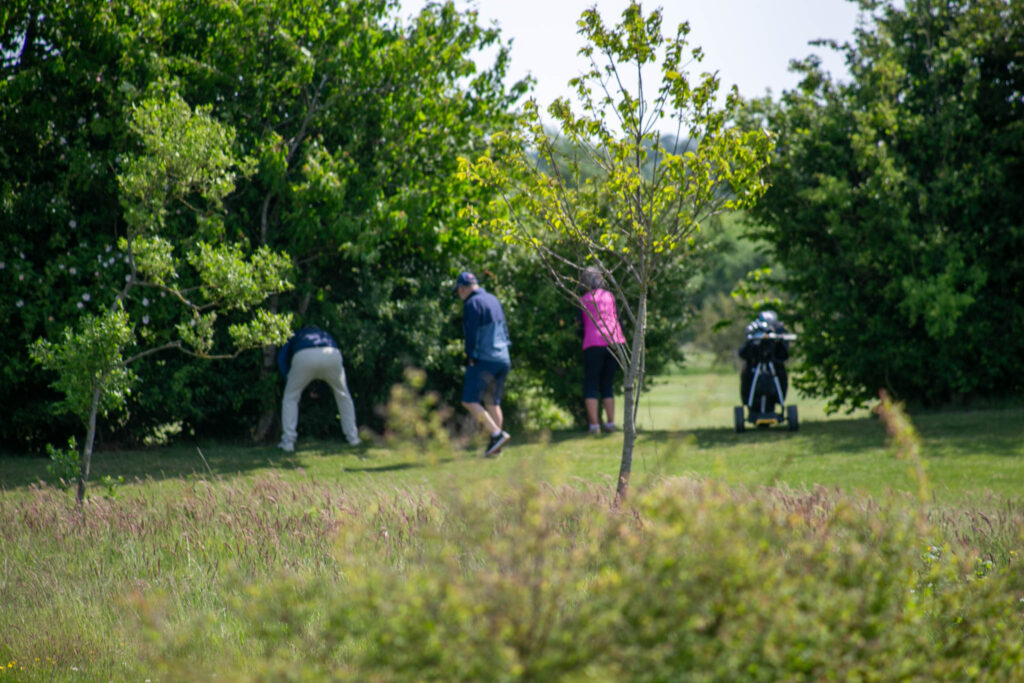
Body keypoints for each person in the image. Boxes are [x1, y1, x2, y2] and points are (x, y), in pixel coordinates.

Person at [276, 325, 361, 452]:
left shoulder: (296, 334)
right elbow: (323, 366)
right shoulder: (325, 334)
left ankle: (288, 442)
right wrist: (321, 388)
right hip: (331, 353)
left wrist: (289, 378)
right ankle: (353, 438)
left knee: (290, 397)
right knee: (344, 396)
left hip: (304, 355)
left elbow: (281, 358)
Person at [454, 271, 511, 457]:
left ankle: (496, 435)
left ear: (462, 289)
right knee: (493, 402)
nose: (458, 294)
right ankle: (497, 448)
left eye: (458, 291)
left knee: (469, 400)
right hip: (503, 357)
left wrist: (470, 356)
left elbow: (471, 334)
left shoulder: (471, 303)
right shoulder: (493, 299)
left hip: (485, 358)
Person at [579, 266, 626, 434]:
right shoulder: (610, 297)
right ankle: (611, 423)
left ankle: (594, 426)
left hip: (593, 343)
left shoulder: (584, 300)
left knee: (591, 383)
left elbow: (580, 326)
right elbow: (619, 318)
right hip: (614, 341)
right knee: (607, 384)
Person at [738, 310, 790, 406]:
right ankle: (751, 405)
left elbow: (783, 355)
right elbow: (743, 353)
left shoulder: (778, 332)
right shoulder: (753, 336)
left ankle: (777, 402)